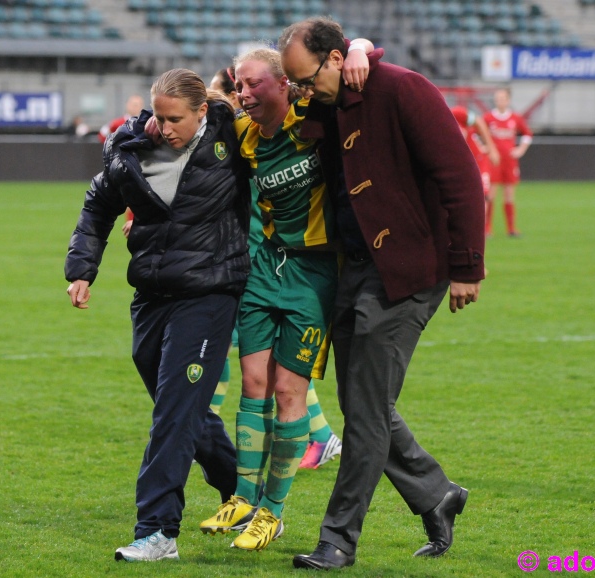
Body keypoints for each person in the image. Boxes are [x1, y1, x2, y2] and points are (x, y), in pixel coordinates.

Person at [279, 17, 485, 570]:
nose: (302, 91)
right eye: (293, 82)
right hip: (358, 270)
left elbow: (461, 176)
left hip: (411, 269)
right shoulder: (328, 101)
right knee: (364, 403)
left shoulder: (403, 88)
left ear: (333, 59)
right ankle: (436, 493)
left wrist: (468, 266)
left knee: (364, 416)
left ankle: (338, 540)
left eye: (305, 79)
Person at [65, 68, 251, 562]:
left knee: (173, 412)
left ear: (201, 112)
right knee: (183, 409)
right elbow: (97, 204)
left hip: (210, 294)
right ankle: (245, 493)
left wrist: (358, 49)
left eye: (175, 120)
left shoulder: (231, 139)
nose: (165, 128)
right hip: (150, 294)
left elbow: (274, 93)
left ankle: (157, 531)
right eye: (158, 117)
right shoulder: (133, 151)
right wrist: (82, 268)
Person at [197, 43, 372, 552]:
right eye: (240, 85)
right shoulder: (245, 135)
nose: (244, 93)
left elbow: (347, 68)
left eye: (253, 84)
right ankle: (244, 499)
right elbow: (192, 107)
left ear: (283, 83)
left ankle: (273, 513)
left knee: (289, 394)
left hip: (313, 275)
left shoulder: (313, 119)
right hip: (263, 269)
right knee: (253, 384)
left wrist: (359, 46)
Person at [483, 87, 532, 237]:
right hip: (493, 161)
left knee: (509, 194)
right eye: (497, 98)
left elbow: (527, 134)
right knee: (490, 194)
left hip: (509, 162)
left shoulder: (515, 118)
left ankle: (511, 228)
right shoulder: (488, 118)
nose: (500, 101)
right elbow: (477, 133)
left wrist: (520, 150)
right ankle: (487, 228)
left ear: (508, 100)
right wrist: (485, 148)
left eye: (503, 98)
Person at [451, 105, 500, 216]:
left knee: (483, 196)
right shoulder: (432, 125)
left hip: (479, 161)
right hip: (462, 166)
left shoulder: (456, 113)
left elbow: (478, 122)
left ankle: (480, 231)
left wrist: (492, 148)